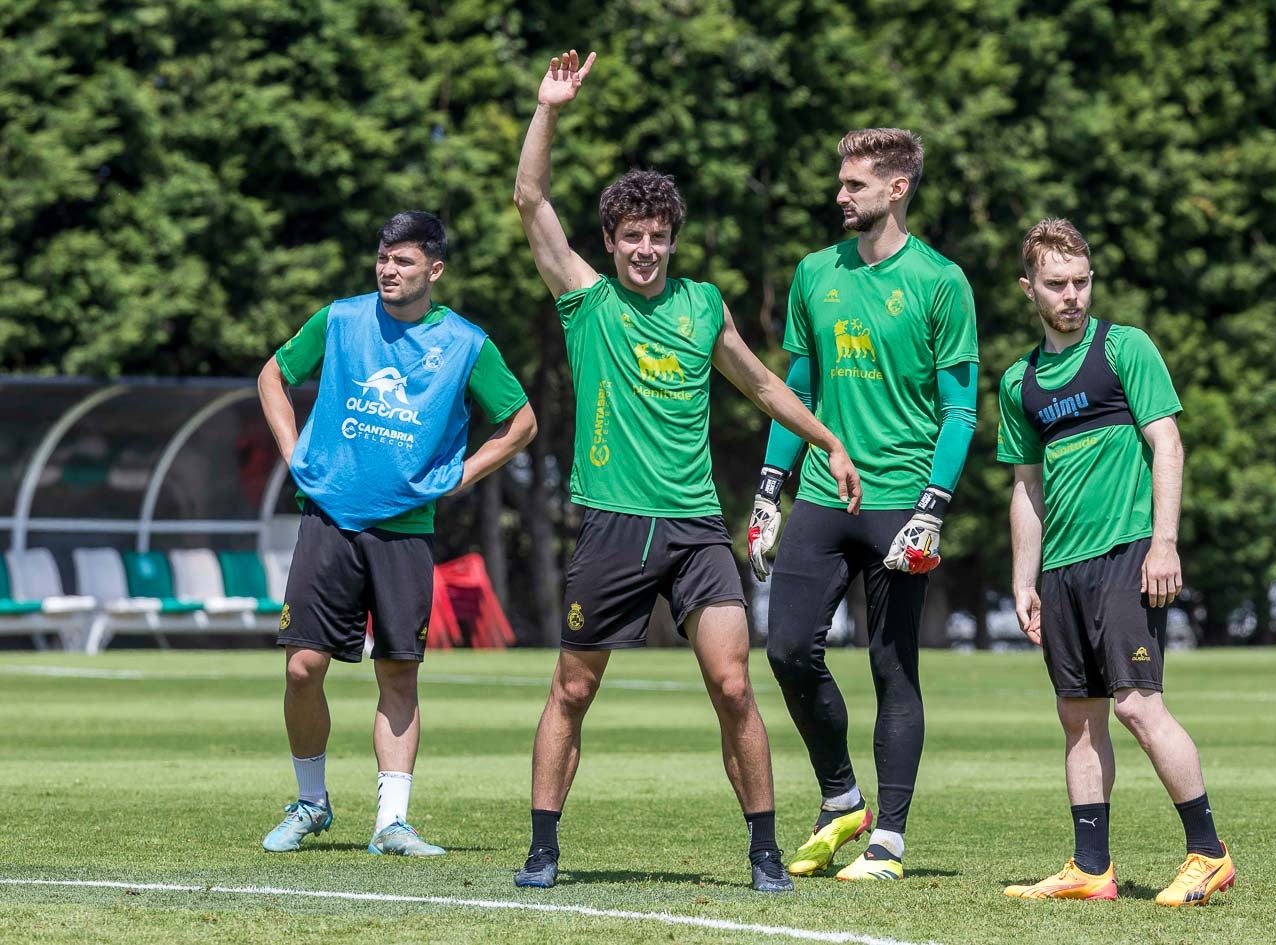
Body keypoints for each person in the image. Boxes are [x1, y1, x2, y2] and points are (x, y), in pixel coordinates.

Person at [511, 49, 863, 894]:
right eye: (631, 237)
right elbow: (529, 198)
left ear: (672, 240)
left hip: (696, 527)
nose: (645, 250)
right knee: (572, 685)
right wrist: (549, 108)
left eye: (657, 237)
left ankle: (764, 850)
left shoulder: (703, 304)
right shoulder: (586, 300)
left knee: (734, 683)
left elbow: (765, 382)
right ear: (610, 242)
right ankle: (543, 845)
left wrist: (827, 441)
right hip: (612, 524)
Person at [256, 211, 537, 857]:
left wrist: (456, 477)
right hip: (328, 517)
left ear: (433, 270)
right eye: (384, 257)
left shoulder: (466, 343)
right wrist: (293, 449)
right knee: (303, 667)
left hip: (405, 531)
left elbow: (519, 424)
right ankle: (310, 803)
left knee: (398, 673)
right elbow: (273, 374)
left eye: (404, 260)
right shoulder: (342, 318)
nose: (389, 269)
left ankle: (392, 822)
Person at [747, 128, 979, 882]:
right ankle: (842, 795)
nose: (839, 195)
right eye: (841, 182)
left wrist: (932, 507)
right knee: (784, 649)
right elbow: (797, 392)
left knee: (891, 665)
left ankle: (889, 841)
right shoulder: (814, 272)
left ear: (896, 187)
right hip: (820, 491)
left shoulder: (942, 281)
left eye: (853, 184)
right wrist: (766, 490)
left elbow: (959, 411)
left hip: (900, 501)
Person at [997, 218, 1235, 905]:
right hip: (1060, 569)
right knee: (1078, 715)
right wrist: (1023, 579)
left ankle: (1207, 851)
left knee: (1136, 705)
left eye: (1080, 282)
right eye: (1055, 284)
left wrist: (1163, 541)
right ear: (1028, 288)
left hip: (1124, 552)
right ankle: (1089, 867)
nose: (1071, 295)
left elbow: (1167, 443)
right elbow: (1025, 487)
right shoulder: (1020, 381)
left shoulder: (1123, 348)